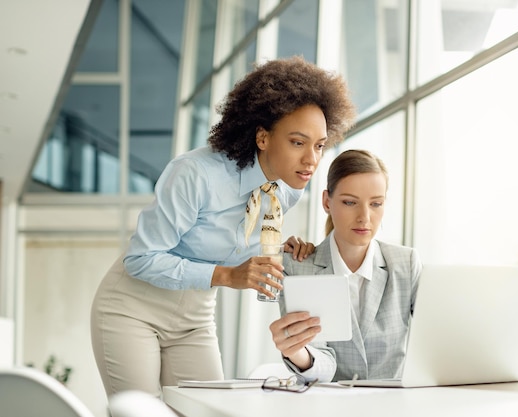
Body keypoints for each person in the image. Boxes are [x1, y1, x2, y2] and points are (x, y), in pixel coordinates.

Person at [90, 56, 356, 397]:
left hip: (195, 319)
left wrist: (284, 248)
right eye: (297, 142)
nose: (311, 160)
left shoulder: (289, 188)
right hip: (132, 311)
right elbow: (141, 258)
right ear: (262, 137)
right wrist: (228, 276)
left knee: (210, 408)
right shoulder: (195, 174)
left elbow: (242, 236)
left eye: (319, 146)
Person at [269, 149, 422, 382]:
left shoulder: (406, 264)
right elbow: (323, 363)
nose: (364, 217)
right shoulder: (299, 267)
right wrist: (297, 352)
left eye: (376, 204)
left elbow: (435, 340)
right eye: (350, 202)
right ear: (326, 202)